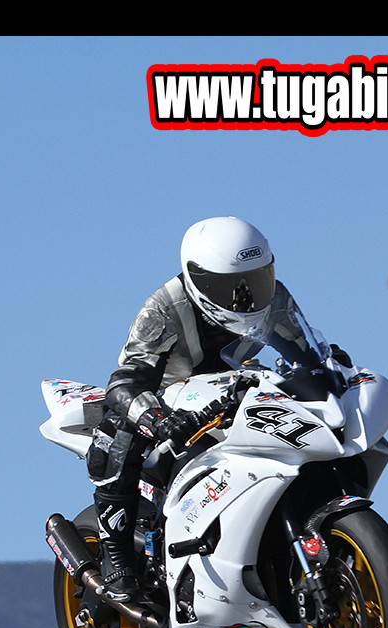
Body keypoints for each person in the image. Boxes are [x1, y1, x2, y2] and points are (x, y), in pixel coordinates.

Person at [86, 215, 320, 603]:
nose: (243, 298)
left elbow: (306, 353)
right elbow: (124, 382)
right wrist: (156, 420)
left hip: (236, 392)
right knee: (118, 433)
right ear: (196, 279)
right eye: (228, 287)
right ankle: (117, 558)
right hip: (169, 403)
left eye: (253, 281)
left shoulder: (276, 297)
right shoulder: (163, 307)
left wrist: (330, 370)